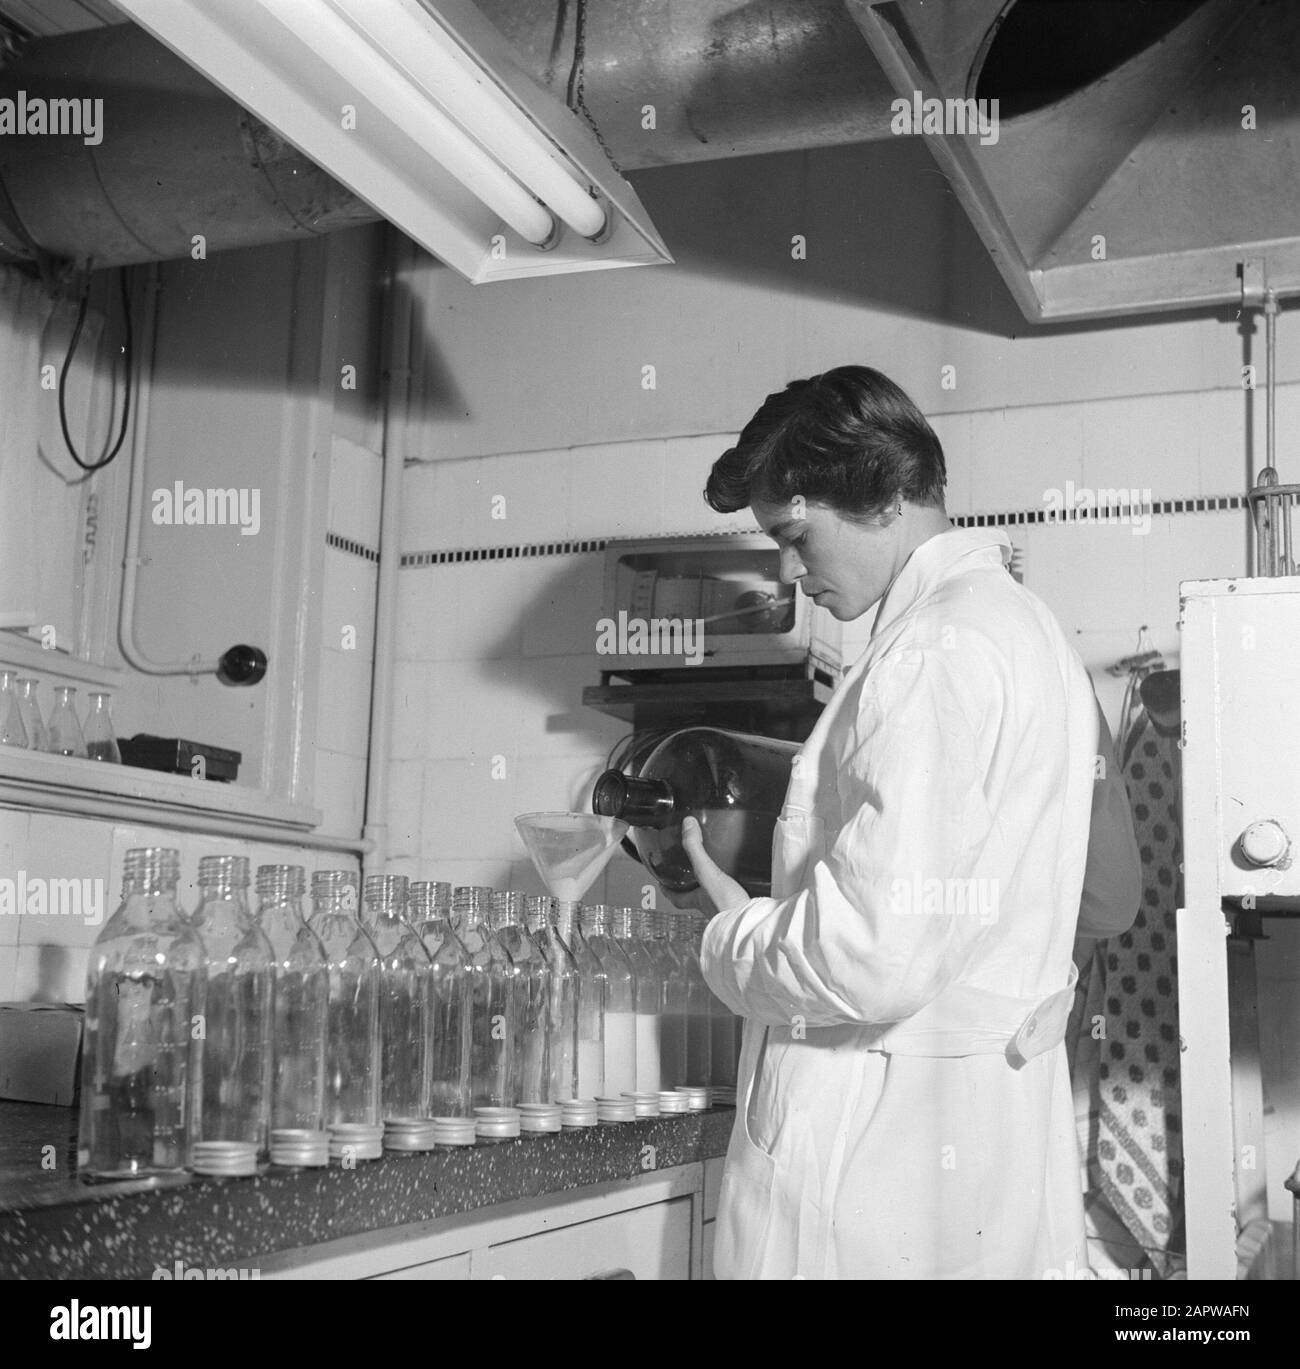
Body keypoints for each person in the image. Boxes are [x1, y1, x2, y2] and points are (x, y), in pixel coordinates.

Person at [681, 365, 1141, 1279]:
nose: (796, 573)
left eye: (798, 535)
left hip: (882, 1154)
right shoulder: (1029, 631)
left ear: (886, 496)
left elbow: (870, 953)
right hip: (980, 1140)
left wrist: (733, 935)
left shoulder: (932, 650)